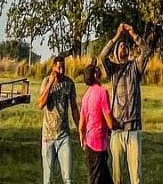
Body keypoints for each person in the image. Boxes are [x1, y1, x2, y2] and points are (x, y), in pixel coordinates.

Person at [100, 23, 149, 184]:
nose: (123, 48)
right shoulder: (113, 70)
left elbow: (146, 51)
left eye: (125, 46)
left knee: (136, 176)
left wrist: (133, 35)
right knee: (117, 176)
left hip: (133, 129)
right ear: (116, 52)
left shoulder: (135, 68)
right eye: (120, 46)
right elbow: (102, 56)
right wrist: (117, 35)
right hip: (117, 129)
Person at [39, 52, 80, 184]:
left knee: (68, 177)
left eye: (63, 68)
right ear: (53, 68)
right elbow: (41, 104)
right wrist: (50, 83)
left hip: (64, 135)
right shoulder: (46, 81)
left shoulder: (69, 83)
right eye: (59, 68)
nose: (61, 71)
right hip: (48, 135)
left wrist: (80, 128)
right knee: (48, 177)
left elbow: (74, 107)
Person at [79, 62, 114, 184]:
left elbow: (81, 126)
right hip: (99, 145)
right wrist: (120, 124)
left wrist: (83, 139)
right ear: (95, 75)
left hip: (89, 144)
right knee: (96, 180)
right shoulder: (102, 92)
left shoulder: (86, 96)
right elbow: (110, 123)